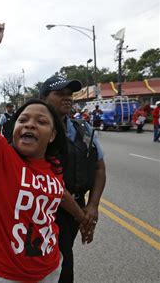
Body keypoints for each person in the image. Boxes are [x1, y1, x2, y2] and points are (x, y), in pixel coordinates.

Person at [0, 20, 88, 283]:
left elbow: (58, 194)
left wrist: (82, 216)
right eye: (23, 119)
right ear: (14, 128)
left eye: (41, 122)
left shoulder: (53, 166)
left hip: (49, 270)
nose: (30, 124)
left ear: (52, 135)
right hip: (1, 275)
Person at [39, 75, 106, 283]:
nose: (67, 98)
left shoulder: (84, 129)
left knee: (62, 256)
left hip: (77, 205)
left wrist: (92, 206)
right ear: (43, 100)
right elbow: (47, 180)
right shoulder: (36, 131)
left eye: (70, 94)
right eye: (60, 94)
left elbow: (99, 167)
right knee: (62, 260)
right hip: (47, 209)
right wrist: (82, 217)